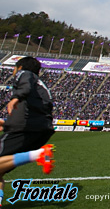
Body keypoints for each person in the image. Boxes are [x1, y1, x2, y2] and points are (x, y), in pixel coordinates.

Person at [0, 56, 54, 206]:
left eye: (14, 68)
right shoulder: (40, 85)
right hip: (41, 129)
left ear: (20, 67)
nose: (13, 71)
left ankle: (39, 155)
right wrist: (6, 125)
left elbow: (25, 86)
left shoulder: (25, 74)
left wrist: (16, 97)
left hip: (27, 126)